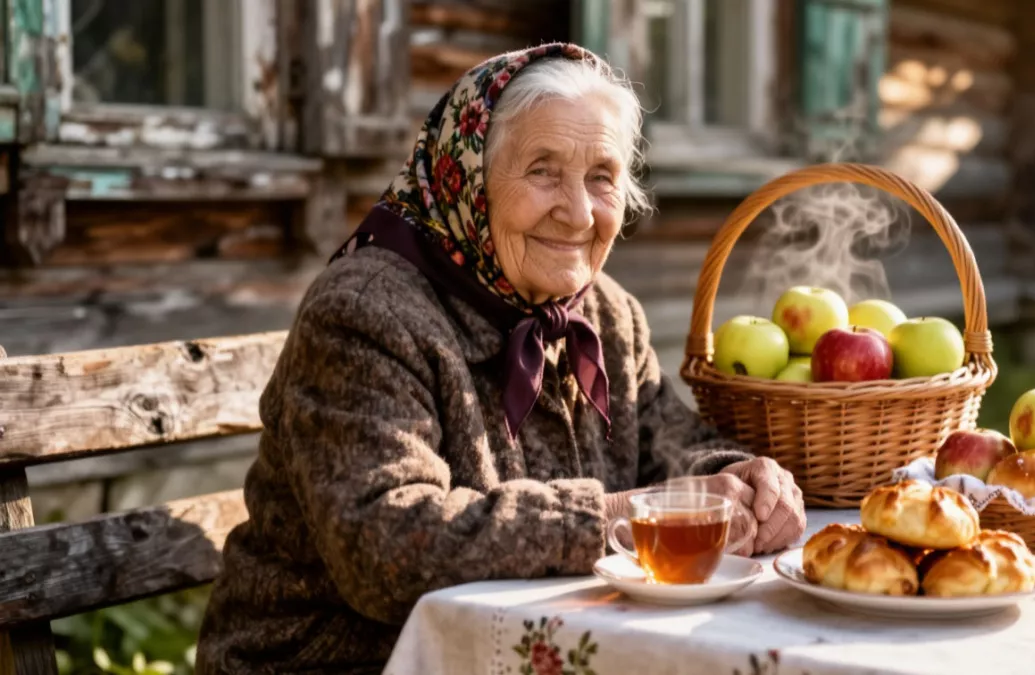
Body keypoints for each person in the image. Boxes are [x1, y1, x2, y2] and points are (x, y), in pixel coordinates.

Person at [195, 43, 807, 674]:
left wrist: (739, 479)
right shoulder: (365, 312)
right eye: (543, 171)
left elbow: (669, 445)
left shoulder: (605, 313)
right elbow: (385, 545)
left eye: (602, 177)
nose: (577, 212)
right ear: (464, 178)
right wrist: (621, 516)